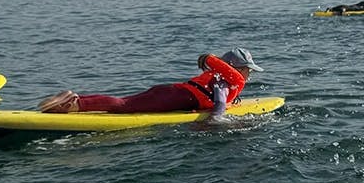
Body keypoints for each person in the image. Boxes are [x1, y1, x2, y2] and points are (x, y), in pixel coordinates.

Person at [37, 48, 263, 117]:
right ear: (238, 69)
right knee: (125, 106)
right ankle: (75, 104)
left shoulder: (219, 79)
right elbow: (220, 103)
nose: (249, 75)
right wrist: (217, 122)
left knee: (126, 102)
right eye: (247, 70)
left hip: (172, 91)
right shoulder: (227, 81)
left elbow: (220, 95)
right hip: (178, 97)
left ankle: (76, 99)